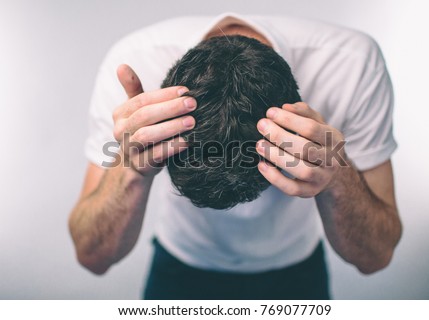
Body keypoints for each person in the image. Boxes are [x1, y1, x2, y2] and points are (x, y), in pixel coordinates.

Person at [69, 13, 402, 299]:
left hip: (296, 271)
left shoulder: (352, 64)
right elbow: (92, 255)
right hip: (180, 267)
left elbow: (375, 257)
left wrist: (338, 175)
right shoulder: (133, 64)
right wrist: (130, 168)